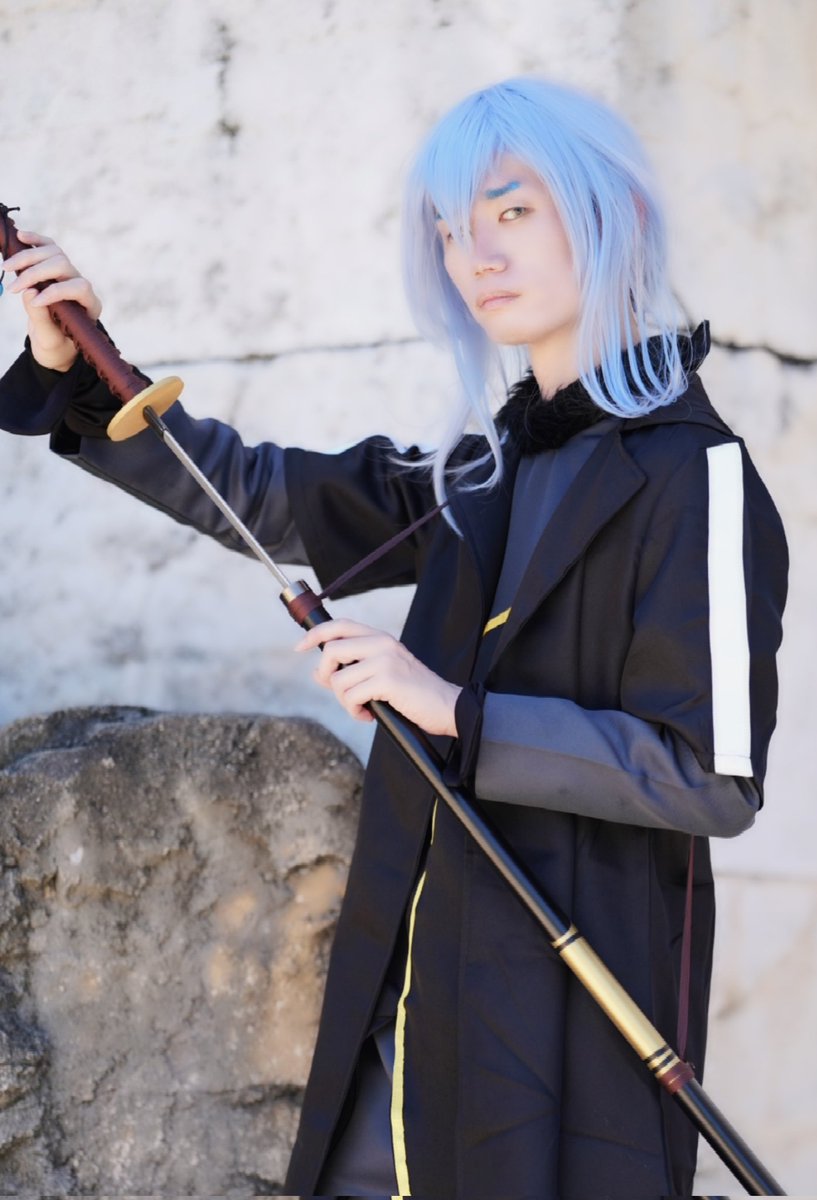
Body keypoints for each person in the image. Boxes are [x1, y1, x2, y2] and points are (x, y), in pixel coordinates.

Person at [0, 77, 788, 1197]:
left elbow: (710, 775)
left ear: (615, 213)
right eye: (451, 229)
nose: (476, 255)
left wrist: (451, 709)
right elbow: (260, 495)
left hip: (571, 1029)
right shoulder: (483, 467)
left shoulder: (696, 476)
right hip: (409, 1004)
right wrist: (81, 366)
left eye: (511, 211)